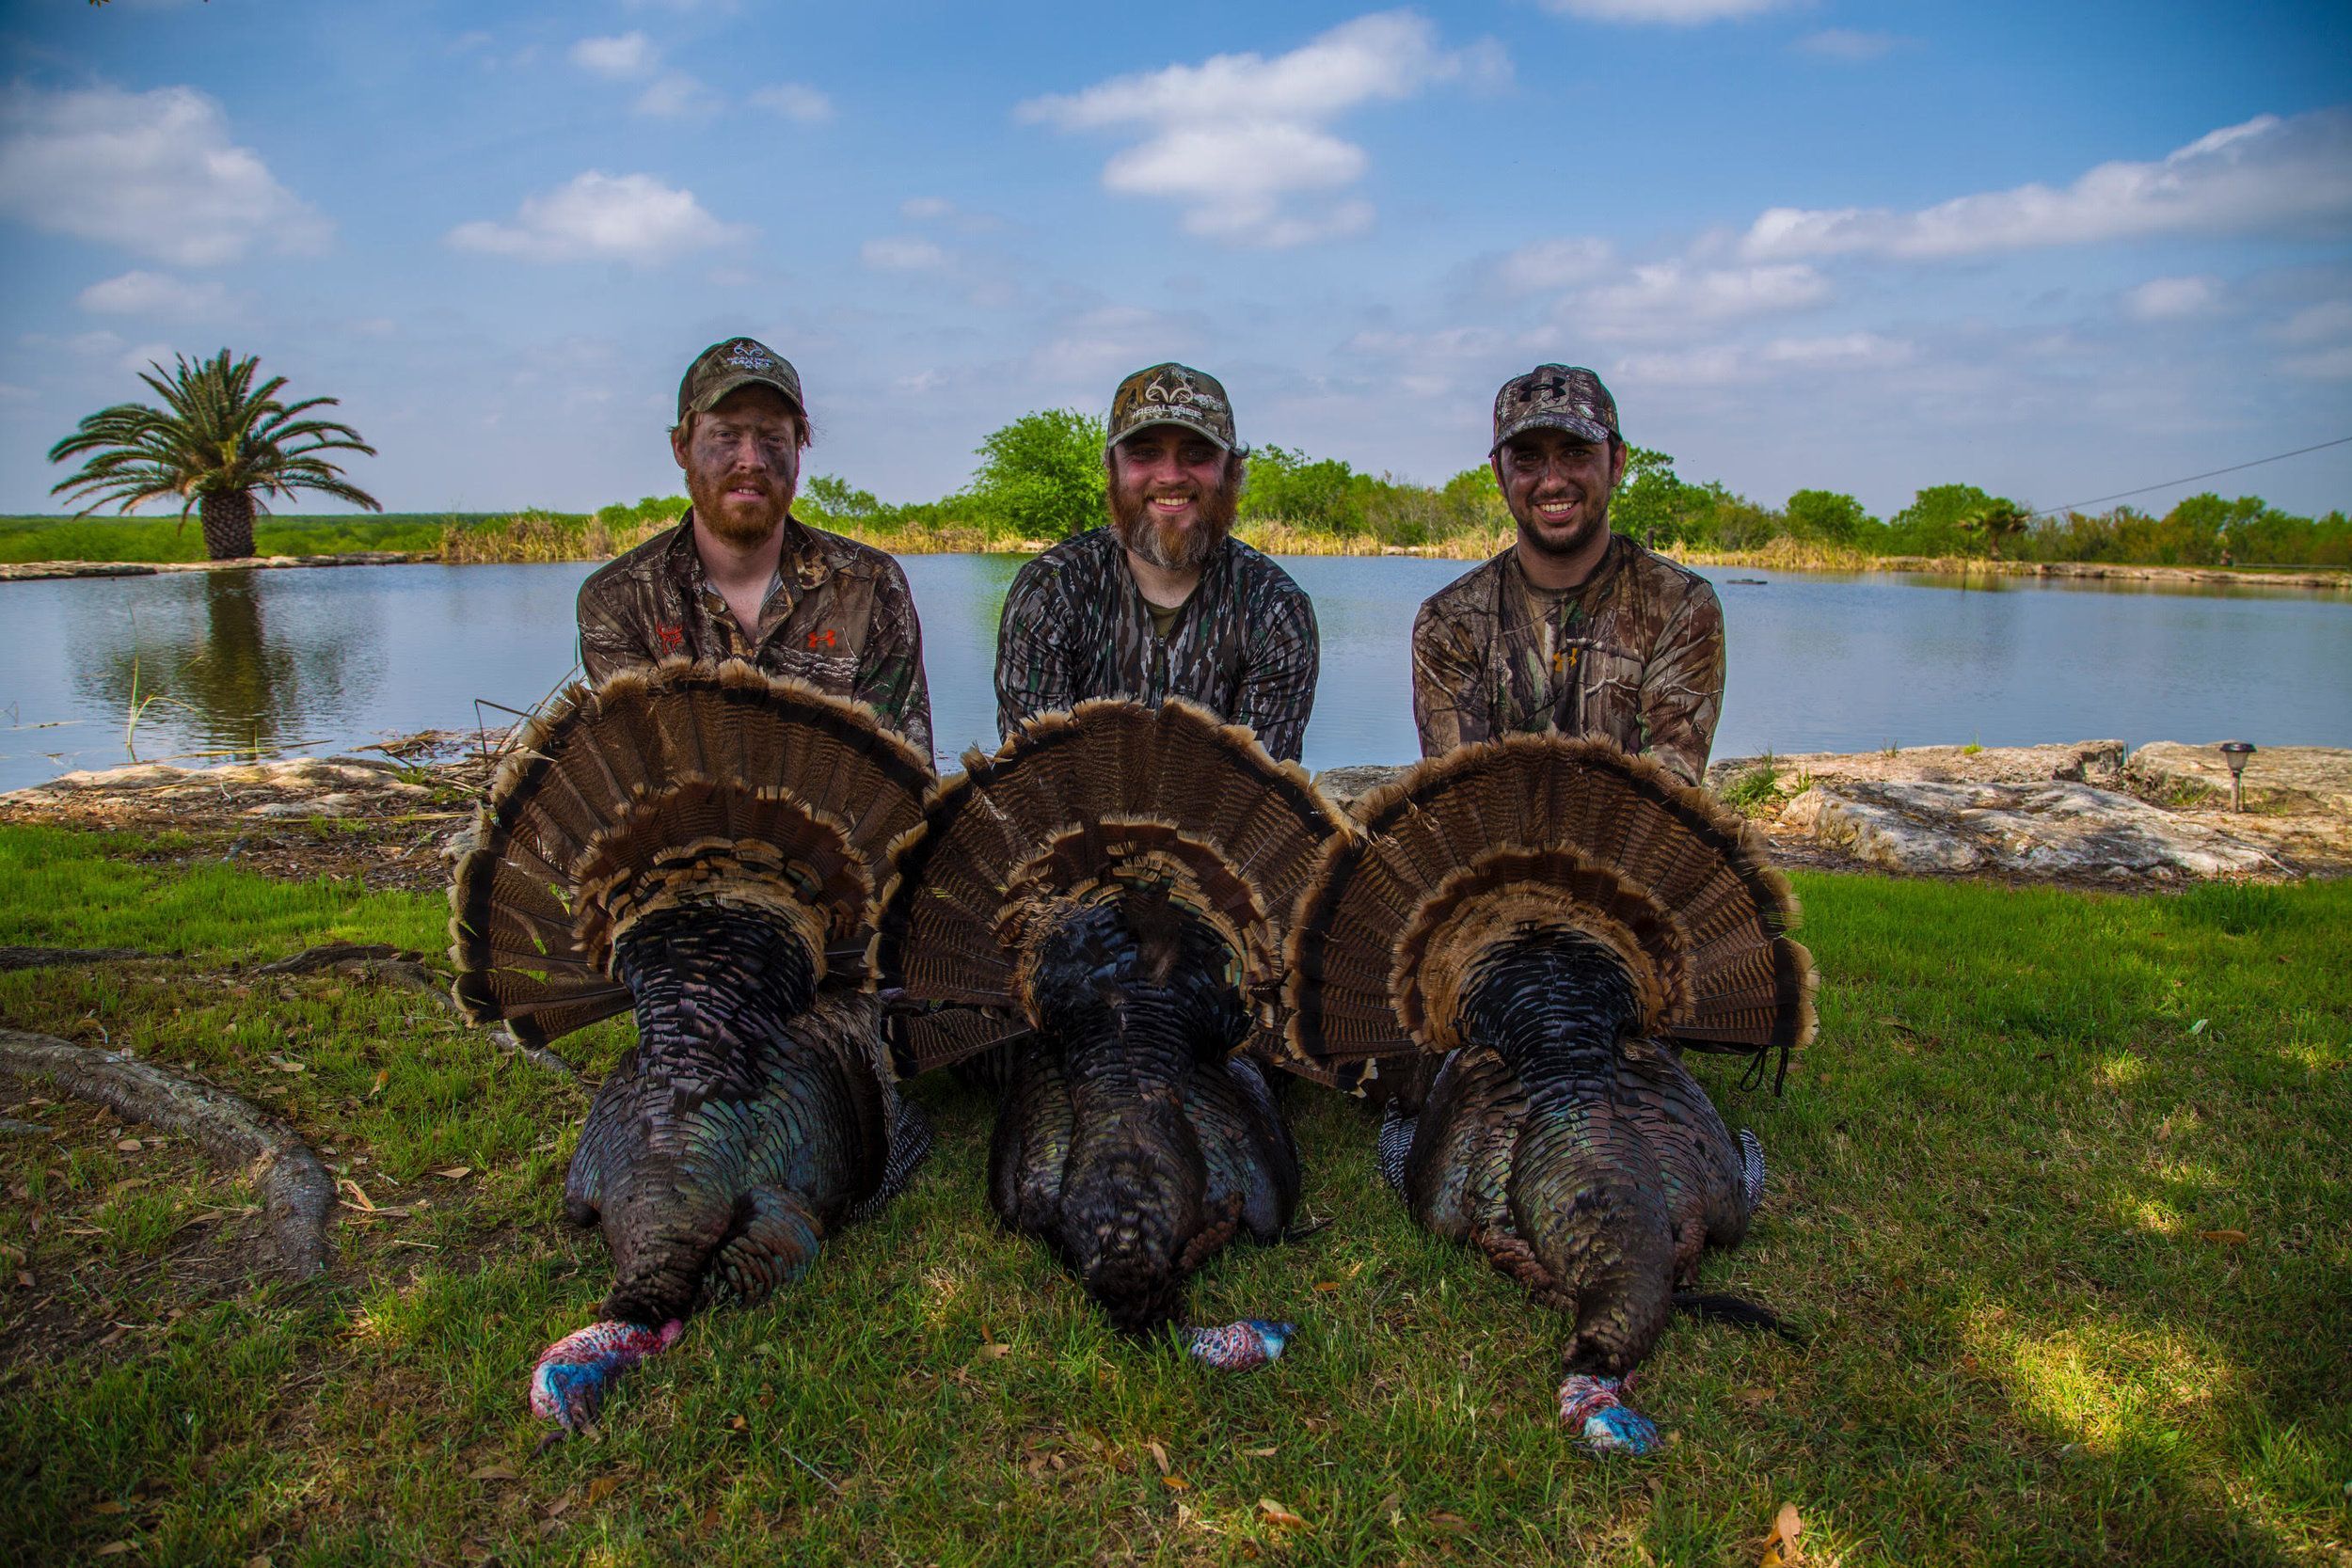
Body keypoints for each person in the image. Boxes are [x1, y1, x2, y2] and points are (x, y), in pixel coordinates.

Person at [576, 337, 933, 757]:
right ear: (681, 448)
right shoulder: (618, 600)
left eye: (773, 438)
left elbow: (901, 780)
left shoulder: (871, 586)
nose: (752, 460)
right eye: (726, 435)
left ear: (798, 453)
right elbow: (643, 773)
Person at [1410, 365, 1723, 784]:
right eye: (1527, 458)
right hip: (1495, 849)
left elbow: (1666, 795)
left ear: (1617, 463)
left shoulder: (1680, 606)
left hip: (1632, 849)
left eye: (1576, 452)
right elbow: (1463, 802)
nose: (1552, 481)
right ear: (1500, 476)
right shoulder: (1449, 622)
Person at [993, 363, 1318, 761]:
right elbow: (1038, 783)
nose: (1170, 476)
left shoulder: (1276, 609)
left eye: (1196, 454)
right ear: (1111, 467)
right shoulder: (1049, 592)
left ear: (1232, 470)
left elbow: (1256, 798)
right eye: (1145, 453)